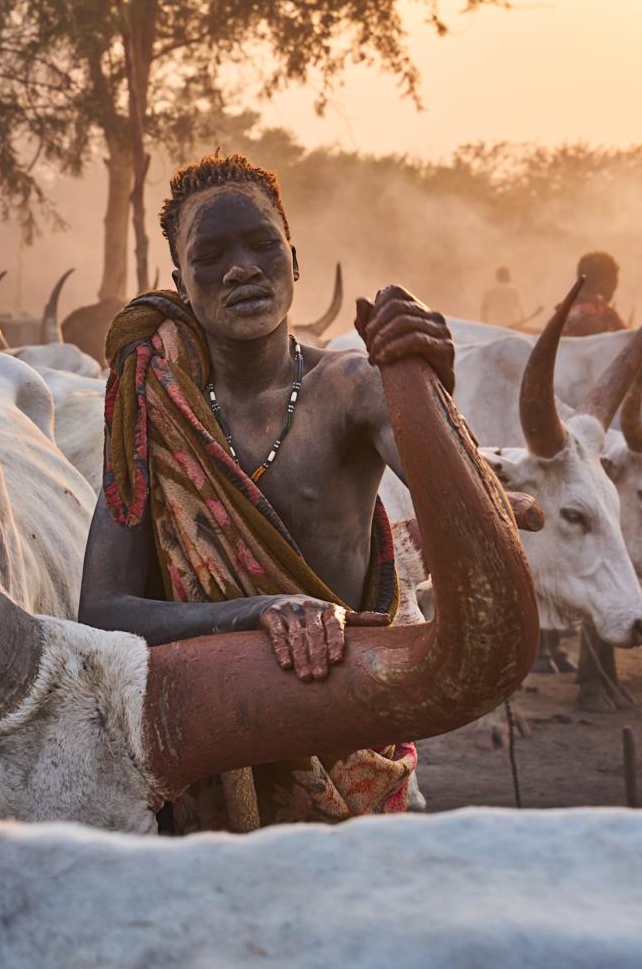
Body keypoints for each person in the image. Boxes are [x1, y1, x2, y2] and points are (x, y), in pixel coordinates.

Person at [78, 152, 455, 833]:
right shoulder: (150, 406)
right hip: (205, 754)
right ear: (180, 282)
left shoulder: (354, 390)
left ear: (294, 257)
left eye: (260, 244)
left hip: (350, 743)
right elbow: (101, 609)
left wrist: (429, 392)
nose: (241, 269)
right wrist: (254, 613)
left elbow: (464, 520)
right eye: (211, 254)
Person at [562, 250, 626, 336]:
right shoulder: (604, 318)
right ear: (602, 283)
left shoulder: (562, 314)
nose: (614, 289)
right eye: (613, 282)